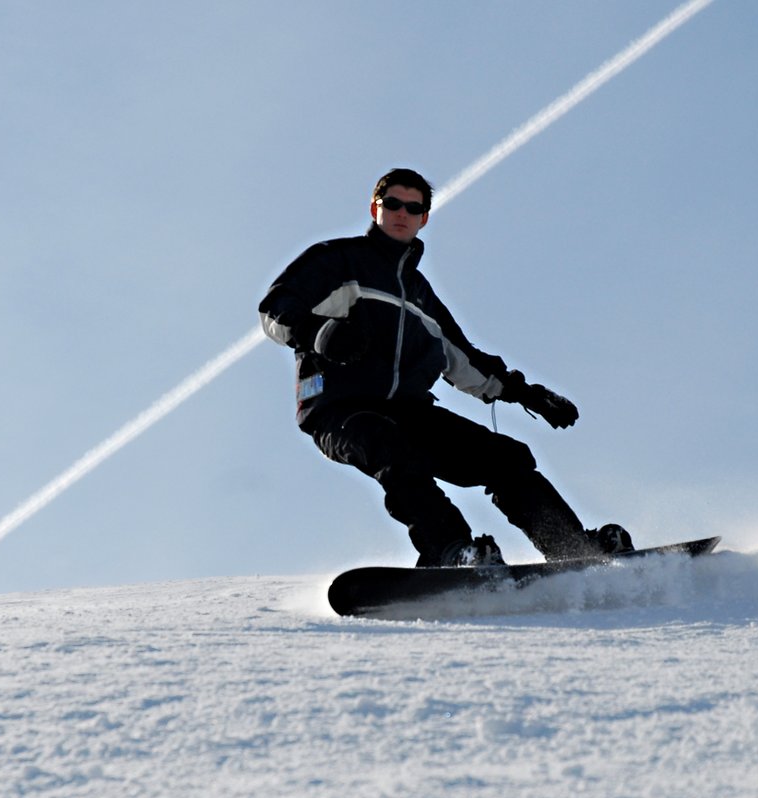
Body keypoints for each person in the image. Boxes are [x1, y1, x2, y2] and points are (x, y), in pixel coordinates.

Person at [259, 167, 632, 567]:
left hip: (410, 410)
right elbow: (275, 309)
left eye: (413, 207)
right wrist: (320, 333)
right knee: (394, 451)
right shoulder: (338, 261)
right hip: (342, 408)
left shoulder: (423, 297)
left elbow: (464, 359)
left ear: (424, 219)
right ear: (375, 208)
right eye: (393, 204)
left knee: (506, 458)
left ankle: (572, 549)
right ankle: (451, 552)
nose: (402, 212)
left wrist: (526, 394)